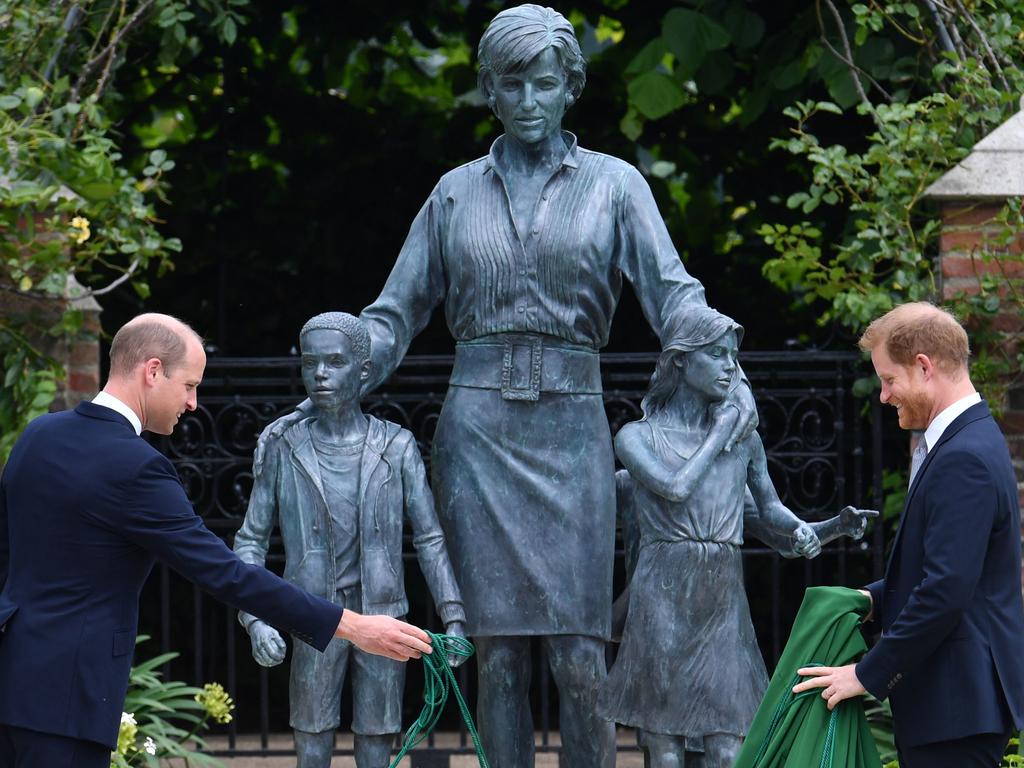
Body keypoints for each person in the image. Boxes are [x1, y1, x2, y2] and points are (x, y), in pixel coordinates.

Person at [257, 7, 758, 766]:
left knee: (580, 656)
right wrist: (340, 374)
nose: (529, 100)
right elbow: (393, 315)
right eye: (513, 84)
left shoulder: (615, 186)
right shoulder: (455, 192)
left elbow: (674, 296)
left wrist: (724, 357)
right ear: (490, 91)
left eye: (545, 84)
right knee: (496, 657)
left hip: (572, 430)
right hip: (479, 436)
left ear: (570, 90)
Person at [0, 313, 432, 768]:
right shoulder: (136, 467)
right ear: (152, 371)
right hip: (70, 699)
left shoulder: (38, 436)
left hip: (12, 685)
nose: (193, 403)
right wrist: (354, 627)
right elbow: (227, 574)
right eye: (188, 385)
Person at [597, 306, 874, 768]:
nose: (730, 367)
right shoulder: (637, 437)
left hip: (722, 604)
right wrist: (722, 429)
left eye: (733, 357)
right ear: (680, 362)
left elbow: (771, 515)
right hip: (662, 597)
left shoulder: (744, 442)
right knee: (663, 751)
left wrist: (827, 528)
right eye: (717, 355)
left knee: (728, 748)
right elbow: (675, 488)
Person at [793, 302, 1024, 768]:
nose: (883, 395)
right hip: (954, 706)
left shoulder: (964, 456)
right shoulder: (968, 439)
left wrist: (866, 673)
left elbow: (945, 590)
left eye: (888, 379)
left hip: (957, 708)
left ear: (923, 366)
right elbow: (949, 574)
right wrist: (870, 599)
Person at [234, 312, 466, 768]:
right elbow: (250, 542)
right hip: (311, 613)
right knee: (312, 738)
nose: (319, 374)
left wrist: (453, 616)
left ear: (363, 370)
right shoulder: (283, 447)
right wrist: (256, 619)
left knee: (378, 739)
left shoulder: (396, 447)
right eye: (309, 363)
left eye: (334, 362)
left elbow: (430, 538)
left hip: (383, 613)